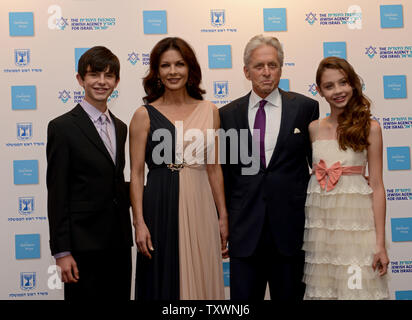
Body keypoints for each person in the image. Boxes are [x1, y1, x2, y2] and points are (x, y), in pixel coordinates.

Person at [219, 34, 319, 300]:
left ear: (281, 68)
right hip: (245, 231)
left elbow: (318, 165)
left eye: (272, 65)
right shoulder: (227, 115)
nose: (266, 72)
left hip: (290, 231)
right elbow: (227, 175)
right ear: (246, 71)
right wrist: (224, 221)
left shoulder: (306, 108)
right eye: (259, 66)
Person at [129, 37, 228, 300]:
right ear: (157, 71)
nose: (173, 71)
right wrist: (139, 222)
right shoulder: (143, 115)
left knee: (203, 272)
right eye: (165, 65)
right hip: (160, 203)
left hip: (201, 203)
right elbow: (137, 174)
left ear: (190, 69)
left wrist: (223, 216)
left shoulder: (210, 111)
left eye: (180, 64)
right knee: (162, 279)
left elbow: (214, 168)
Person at [46, 46, 133, 300]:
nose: (102, 82)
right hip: (82, 246)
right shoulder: (62, 127)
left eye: (109, 76)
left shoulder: (120, 127)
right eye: (94, 75)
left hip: (118, 243)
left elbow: (113, 183)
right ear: (80, 79)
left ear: (117, 81)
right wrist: (62, 252)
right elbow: (57, 193)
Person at [302, 56, 389, 299]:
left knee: (356, 291)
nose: (338, 91)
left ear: (352, 84)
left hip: (357, 230)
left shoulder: (370, 128)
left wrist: (380, 244)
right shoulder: (313, 128)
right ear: (319, 91)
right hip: (323, 233)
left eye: (343, 83)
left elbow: (378, 186)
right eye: (329, 86)